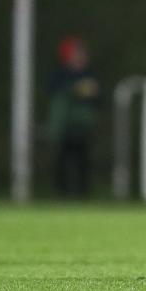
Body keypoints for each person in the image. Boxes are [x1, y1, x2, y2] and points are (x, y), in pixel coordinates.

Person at [47, 36, 101, 198]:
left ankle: (83, 194)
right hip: (64, 126)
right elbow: (55, 92)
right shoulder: (60, 75)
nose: (80, 55)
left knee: (84, 160)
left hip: (83, 127)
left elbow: (99, 97)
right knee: (61, 160)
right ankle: (62, 194)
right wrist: (75, 89)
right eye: (77, 52)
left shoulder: (90, 74)